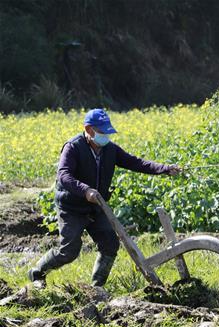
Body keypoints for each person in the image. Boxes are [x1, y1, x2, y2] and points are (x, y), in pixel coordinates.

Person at [28, 108, 182, 288]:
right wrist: (85, 190)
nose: (106, 136)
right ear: (88, 129)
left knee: (110, 244)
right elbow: (64, 176)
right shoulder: (73, 148)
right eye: (102, 132)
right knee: (69, 251)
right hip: (72, 207)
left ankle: (96, 287)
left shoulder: (110, 150)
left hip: (96, 206)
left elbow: (136, 162)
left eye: (107, 132)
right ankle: (37, 272)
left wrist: (164, 169)